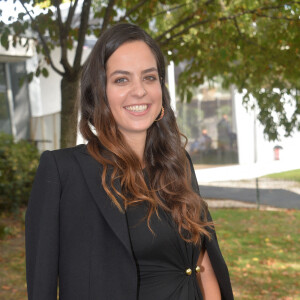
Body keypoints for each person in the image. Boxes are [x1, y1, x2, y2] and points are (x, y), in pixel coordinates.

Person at [25, 23, 234, 300]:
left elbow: (202, 262)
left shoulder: (177, 162)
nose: (140, 91)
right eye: (121, 80)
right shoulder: (63, 172)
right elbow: (42, 287)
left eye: (149, 78)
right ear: (99, 92)